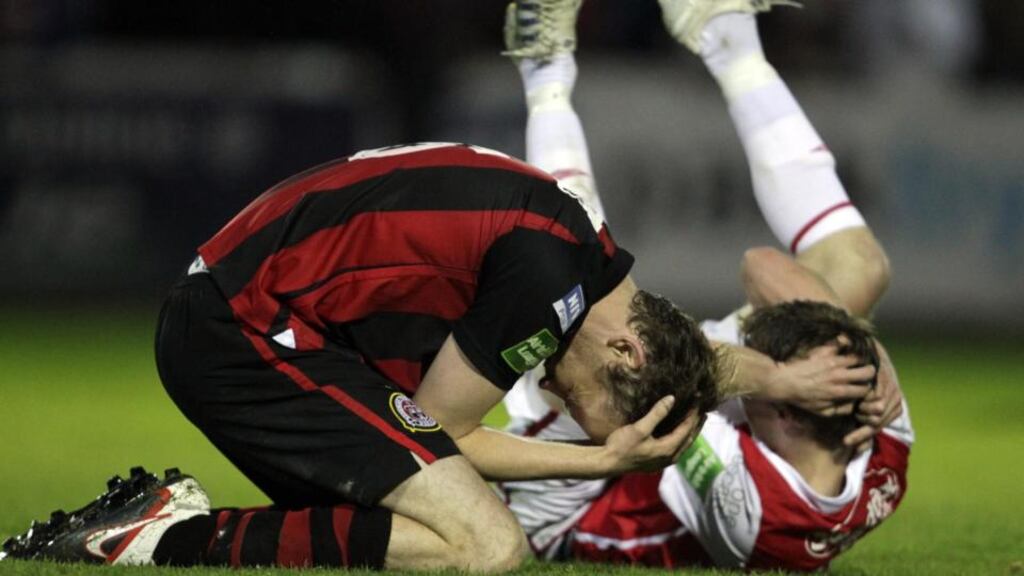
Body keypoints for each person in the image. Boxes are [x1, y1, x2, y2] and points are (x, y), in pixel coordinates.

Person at [498, 0, 911, 571]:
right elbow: (761, 265)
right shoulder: (887, 437)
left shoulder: (759, 513)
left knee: (602, 315)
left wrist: (780, 374)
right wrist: (860, 344)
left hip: (575, 490)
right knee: (861, 270)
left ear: (785, 413)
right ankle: (730, 38)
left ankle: (543, 71)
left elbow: (667, 371)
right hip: (710, 395)